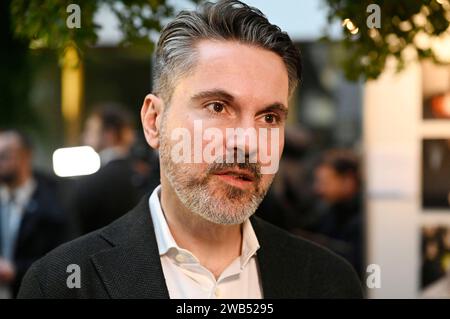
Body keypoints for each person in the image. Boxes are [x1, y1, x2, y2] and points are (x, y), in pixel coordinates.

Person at [19, 0, 363, 299]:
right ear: (154, 121)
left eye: (269, 117)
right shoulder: (62, 284)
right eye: (217, 107)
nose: (247, 142)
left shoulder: (329, 282)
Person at [0, 129, 68, 298]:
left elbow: (62, 259)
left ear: (26, 156)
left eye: (5, 155)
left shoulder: (54, 202)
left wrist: (15, 270)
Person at [73, 104, 142, 234]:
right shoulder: (139, 174)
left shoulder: (93, 183)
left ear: (108, 134)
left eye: (90, 130)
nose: (84, 137)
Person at [311, 149, 363, 276]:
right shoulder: (331, 212)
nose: (317, 189)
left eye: (324, 183)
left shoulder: (365, 222)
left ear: (348, 181)